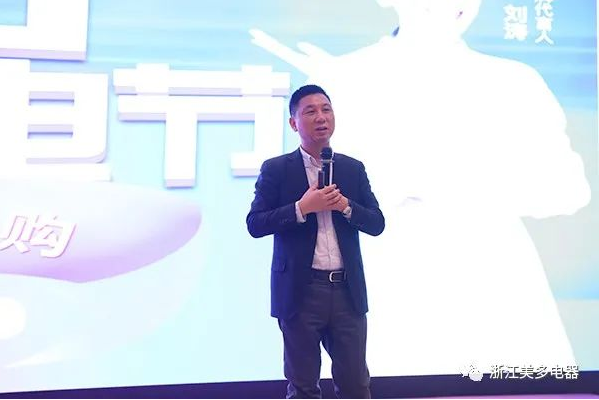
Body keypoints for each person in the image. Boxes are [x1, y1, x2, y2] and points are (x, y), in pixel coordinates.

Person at [249, 0, 591, 375]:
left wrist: (454, 179)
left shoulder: (513, 80)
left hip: (498, 288)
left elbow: (570, 187)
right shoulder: (346, 77)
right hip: (394, 290)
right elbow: (332, 192)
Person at [246, 84, 385, 398]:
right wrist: (301, 208)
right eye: (310, 111)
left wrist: (345, 206)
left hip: (347, 292)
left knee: (356, 385)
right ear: (294, 123)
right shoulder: (277, 169)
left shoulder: (352, 168)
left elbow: (377, 223)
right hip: (301, 292)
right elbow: (255, 223)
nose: (321, 117)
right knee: (303, 387)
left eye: (326, 109)